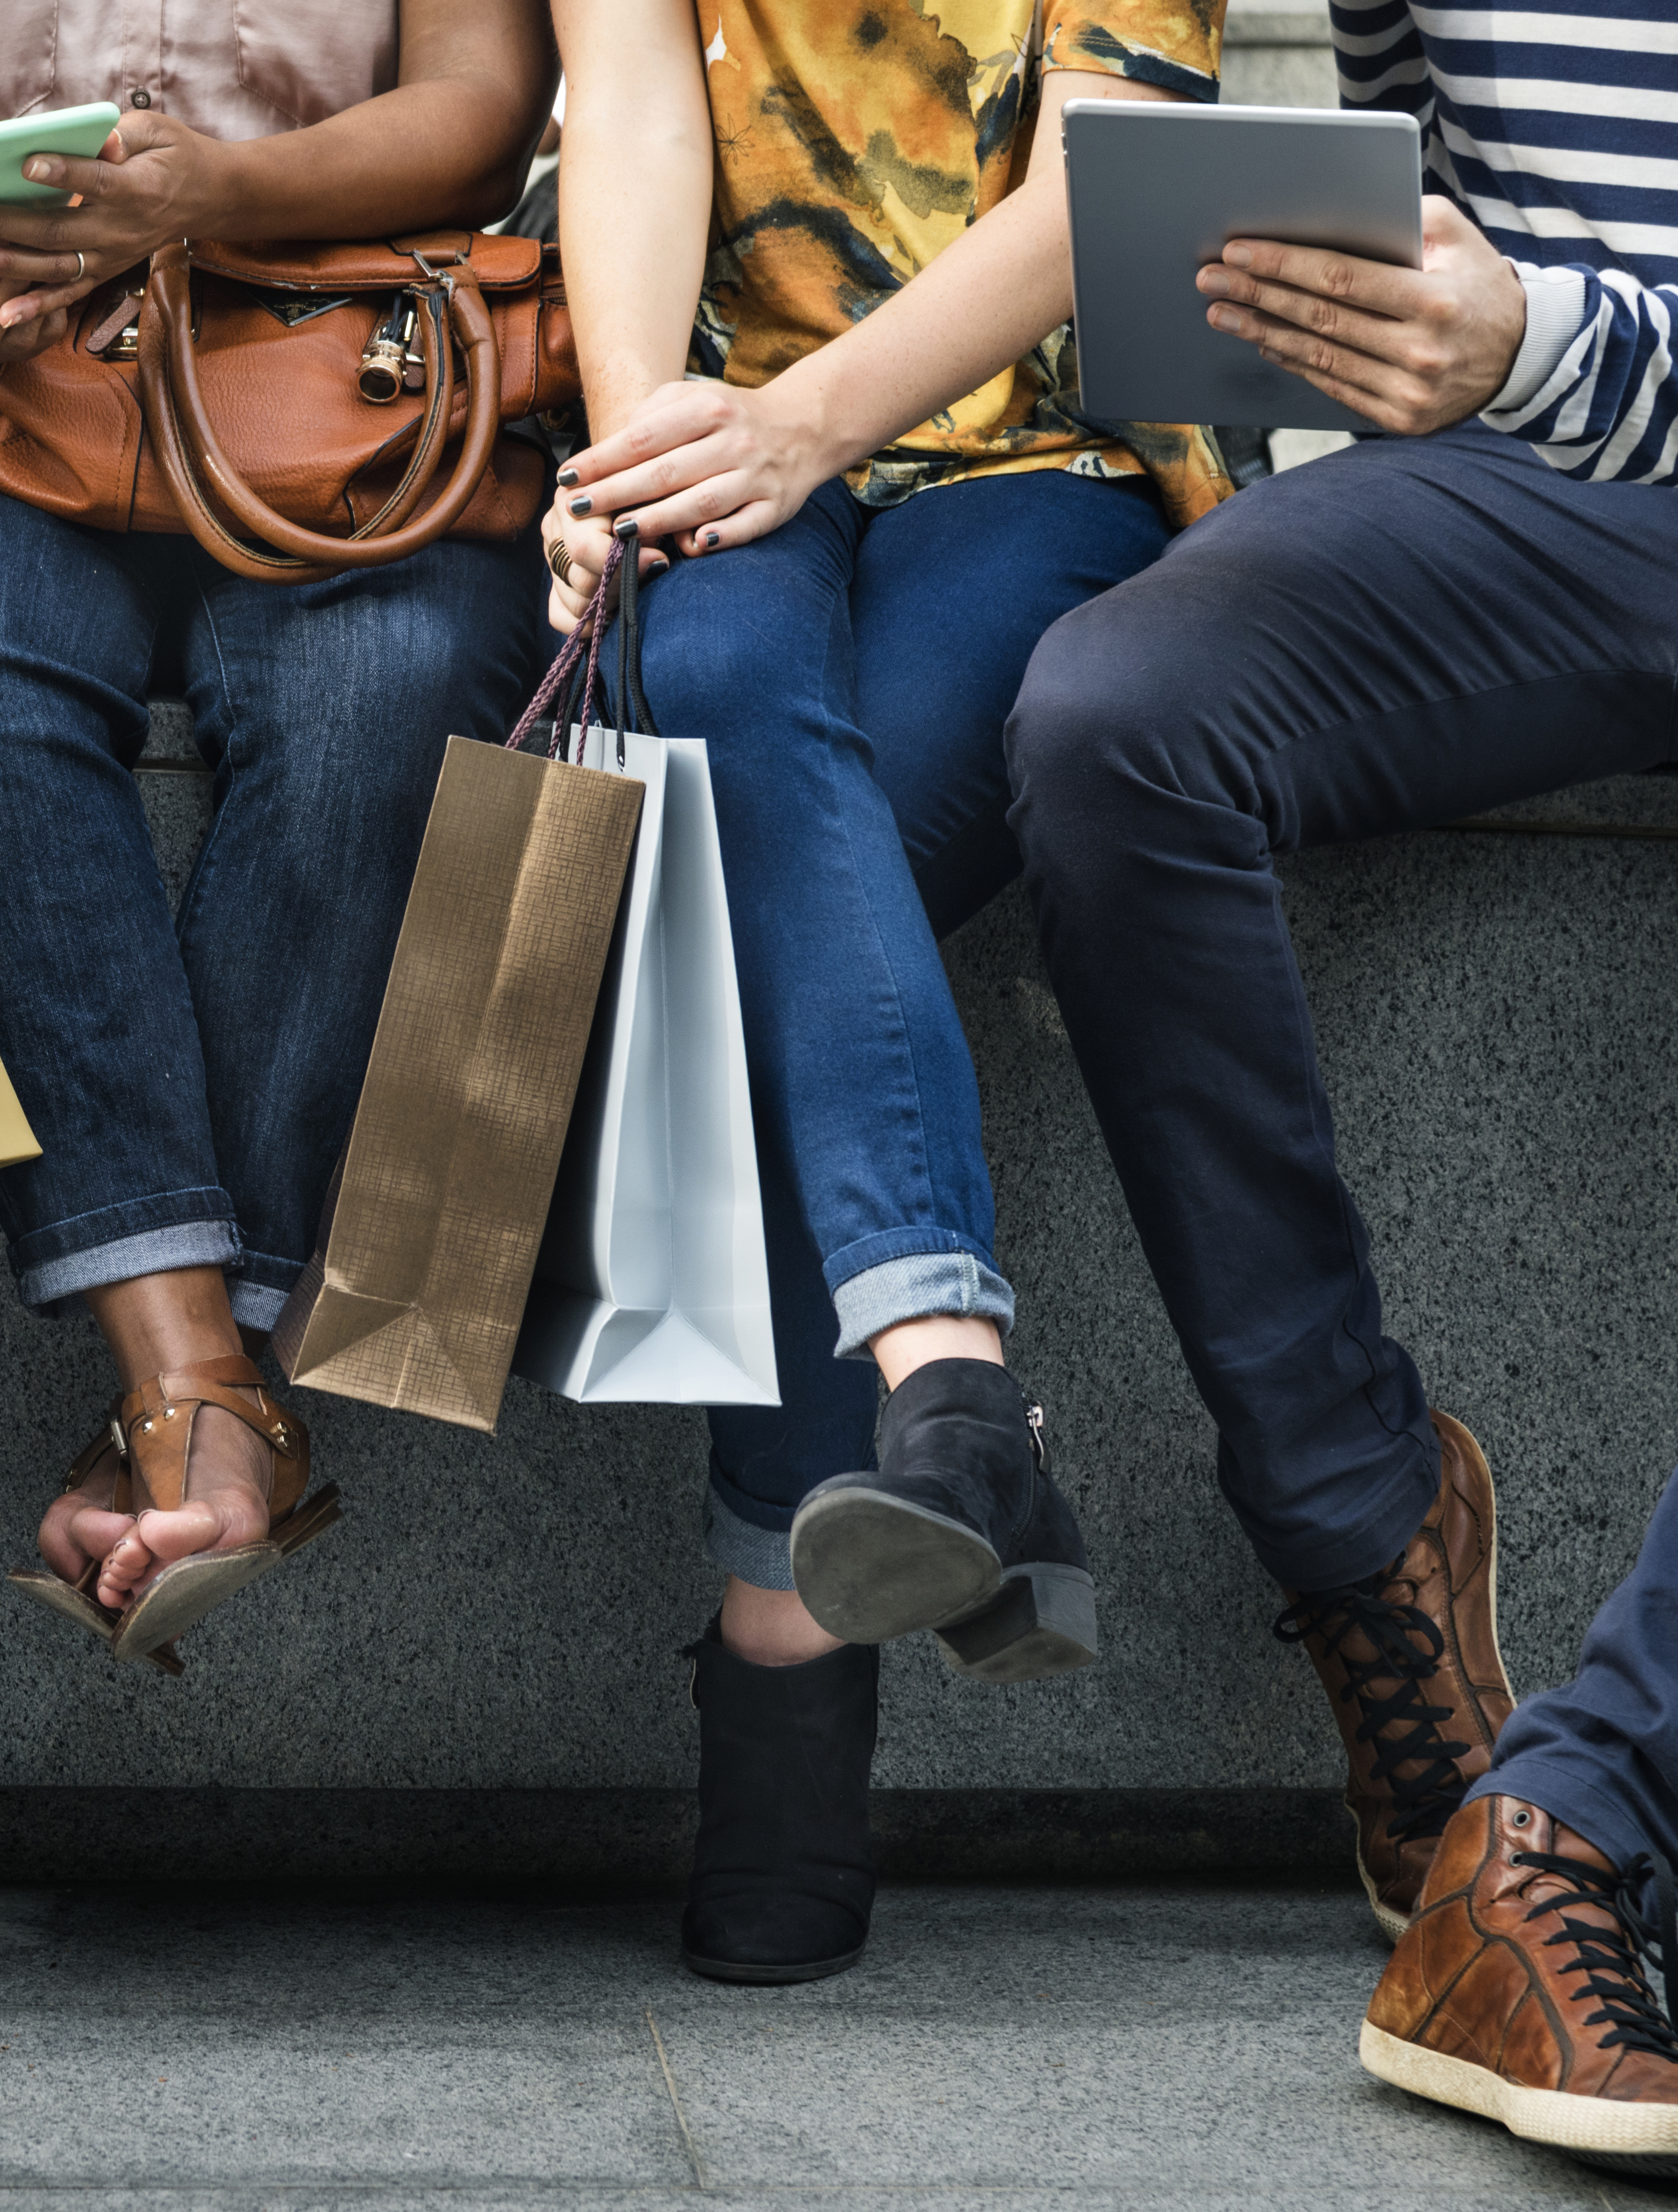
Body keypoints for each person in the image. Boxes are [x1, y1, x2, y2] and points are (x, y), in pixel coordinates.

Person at [1000, 0, 1678, 2181]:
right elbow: (1368, 160)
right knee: (1111, 717)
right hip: (1520, 490)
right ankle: (1364, 1536)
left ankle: (1566, 1838)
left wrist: (1520, 346)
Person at [541, 0, 1226, 1984]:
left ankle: (782, 1628)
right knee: (733, 693)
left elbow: (1105, 190)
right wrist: (630, 447)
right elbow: (633, 108)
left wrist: (796, 426)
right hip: (721, 418)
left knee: (790, 853)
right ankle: (953, 1399)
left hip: (1046, 444)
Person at [0, 0, 558, 1670]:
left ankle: (191, 1399)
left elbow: (483, 104)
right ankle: (202, 1387)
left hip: (361, 373)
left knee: (387, 695)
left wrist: (214, 195)